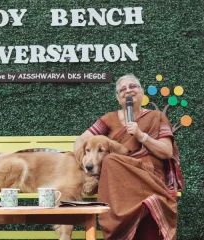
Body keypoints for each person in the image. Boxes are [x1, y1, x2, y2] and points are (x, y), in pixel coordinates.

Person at [74, 74, 185, 240]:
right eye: (122, 89)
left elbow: (166, 152)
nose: (128, 91)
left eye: (132, 86)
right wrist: (84, 160)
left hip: (149, 176)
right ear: (118, 98)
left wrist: (141, 136)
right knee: (111, 161)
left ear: (141, 92)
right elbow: (82, 140)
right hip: (119, 179)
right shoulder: (109, 119)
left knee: (112, 162)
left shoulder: (156, 117)